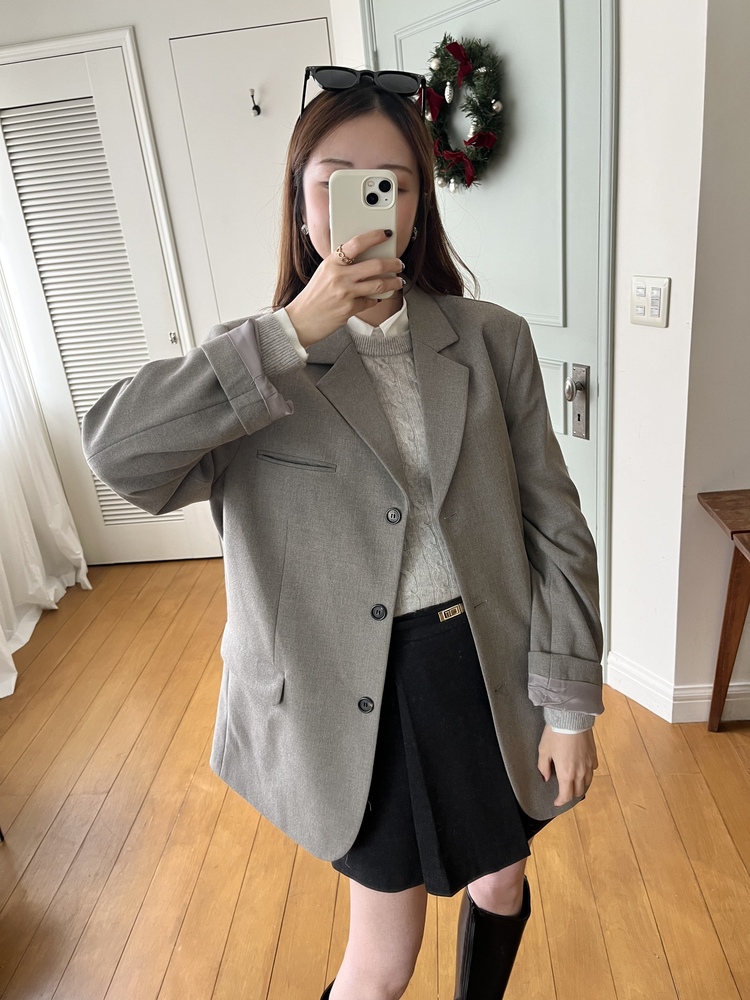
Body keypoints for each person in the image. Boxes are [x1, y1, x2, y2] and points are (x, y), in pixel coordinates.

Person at [81, 66, 604, 1000]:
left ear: (417, 205)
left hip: (487, 670)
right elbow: (118, 457)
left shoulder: (491, 339)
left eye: (391, 182)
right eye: (335, 180)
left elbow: (555, 526)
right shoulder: (252, 364)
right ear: (300, 199)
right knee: (381, 962)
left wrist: (569, 706)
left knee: (503, 879)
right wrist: (290, 333)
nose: (367, 202)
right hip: (354, 701)